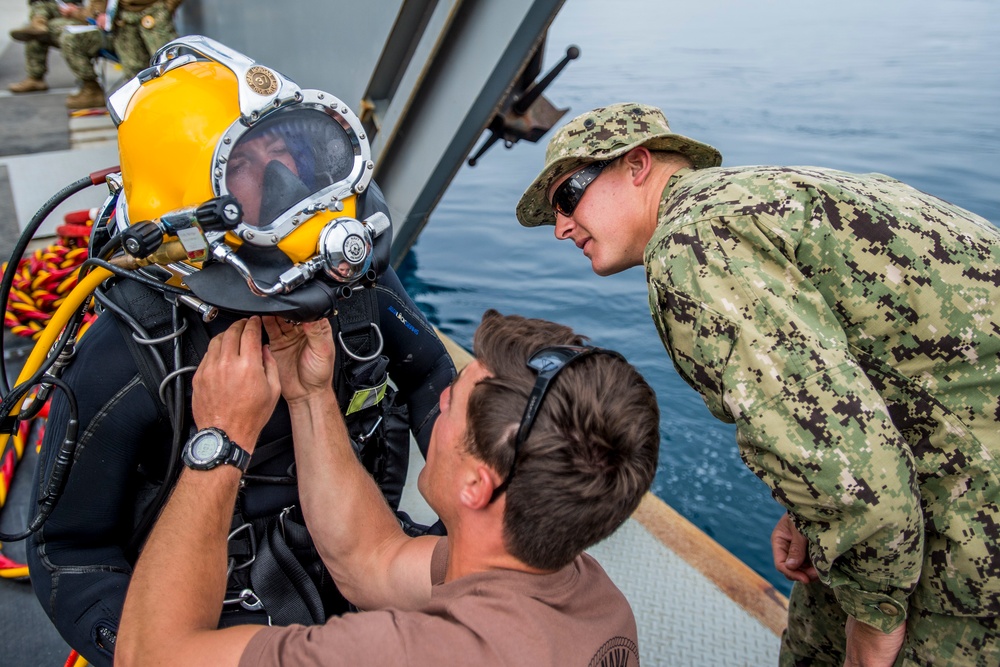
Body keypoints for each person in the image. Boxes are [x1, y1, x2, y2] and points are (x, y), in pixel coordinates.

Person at [515, 102, 1000, 666]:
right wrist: (804, 510)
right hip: (925, 475)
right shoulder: (762, 196)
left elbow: (855, 481)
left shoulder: (692, 246)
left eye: (569, 196)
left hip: (966, 530)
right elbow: (864, 368)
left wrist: (874, 622)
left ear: (638, 164)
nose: (561, 227)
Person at [26, 35, 454, 667]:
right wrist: (140, 646)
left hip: (369, 557)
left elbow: (430, 380)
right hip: (215, 611)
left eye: (290, 152)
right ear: (187, 207)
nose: (286, 181)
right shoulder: (134, 347)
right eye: (248, 165)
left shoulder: (353, 284)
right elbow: (69, 553)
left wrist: (468, 534)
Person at [113, 308, 660, 666]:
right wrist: (310, 396)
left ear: (477, 485)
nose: (438, 401)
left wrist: (222, 437)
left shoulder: (409, 654)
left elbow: (147, 656)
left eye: (454, 402)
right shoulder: (590, 596)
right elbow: (368, 559)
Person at [57, 0, 182, 109]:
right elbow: (97, 6)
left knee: (169, 66)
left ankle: (177, 103)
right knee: (135, 73)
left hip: (154, 12)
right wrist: (100, 14)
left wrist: (166, 8)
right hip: (124, 17)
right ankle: (149, 108)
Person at [6, 0, 88, 94]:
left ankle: (91, 86)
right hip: (65, 12)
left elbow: (95, 12)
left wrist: (76, 11)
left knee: (41, 29)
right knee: (36, 26)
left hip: (83, 19)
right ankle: (35, 78)